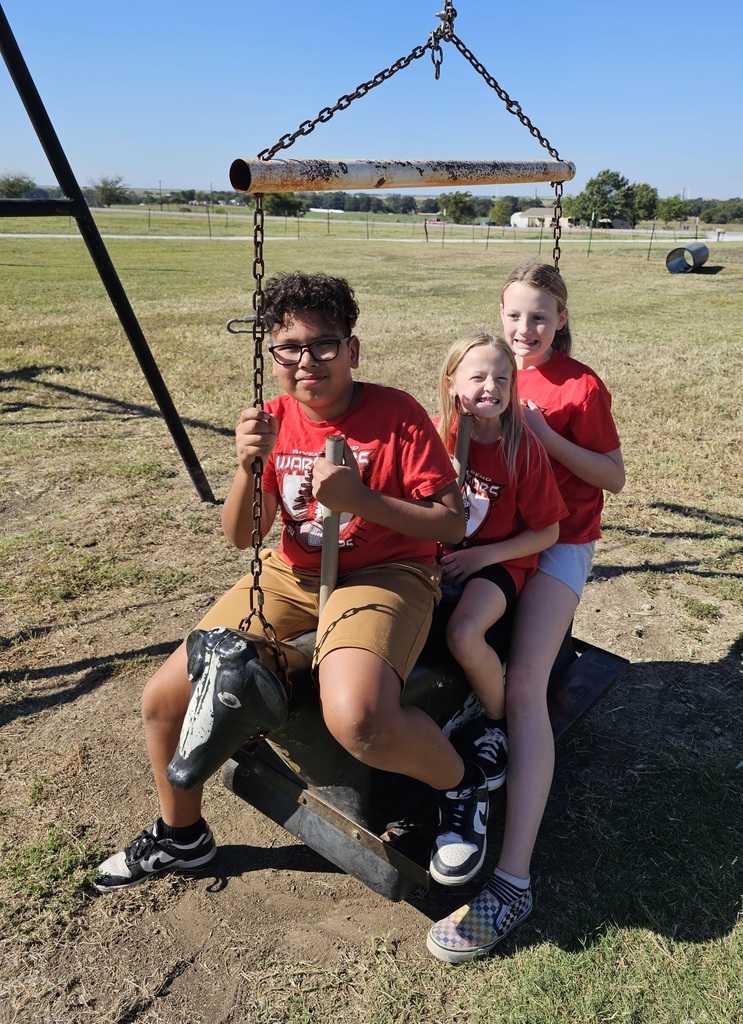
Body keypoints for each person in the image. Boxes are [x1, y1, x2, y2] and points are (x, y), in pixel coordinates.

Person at [94, 270, 493, 893]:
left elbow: (450, 522)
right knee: (165, 698)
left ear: (351, 349)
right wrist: (247, 466)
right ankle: (182, 835)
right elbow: (242, 536)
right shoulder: (276, 419)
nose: (307, 362)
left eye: (323, 345)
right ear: (273, 355)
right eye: (288, 349)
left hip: (388, 572)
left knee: (358, 719)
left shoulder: (396, 414)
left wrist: (362, 499)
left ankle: (463, 784)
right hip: (290, 572)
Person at [427, 261, 625, 962]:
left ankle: (512, 881)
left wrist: (547, 437)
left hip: (557, 543)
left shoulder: (579, 385)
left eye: (539, 317)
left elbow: (613, 476)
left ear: (560, 318)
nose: (524, 329)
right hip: (490, 539)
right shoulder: (488, 372)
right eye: (514, 315)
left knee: (524, 688)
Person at [431, 331, 567, 805]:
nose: (491, 386)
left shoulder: (521, 448)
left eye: (503, 379)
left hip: (501, 561)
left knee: (464, 632)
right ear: (451, 383)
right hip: (444, 557)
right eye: (478, 377)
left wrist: (480, 557)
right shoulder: (437, 435)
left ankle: (495, 718)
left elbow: (547, 532)